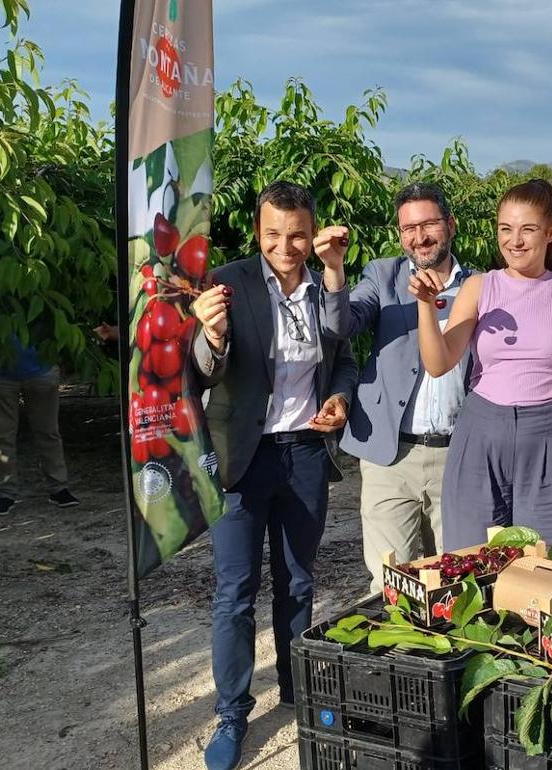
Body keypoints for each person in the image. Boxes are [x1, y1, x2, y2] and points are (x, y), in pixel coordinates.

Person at [189, 181, 358, 770]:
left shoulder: (323, 288)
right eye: (273, 235)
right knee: (235, 593)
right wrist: (210, 339)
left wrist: (337, 397)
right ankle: (232, 712)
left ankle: (297, 688)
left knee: (299, 581)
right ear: (258, 233)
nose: (285, 247)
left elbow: (344, 356)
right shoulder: (228, 284)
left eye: (297, 236)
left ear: (311, 235)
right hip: (242, 457)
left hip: (305, 452)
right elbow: (202, 372)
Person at [411, 179, 552, 551]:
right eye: (505, 229)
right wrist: (425, 306)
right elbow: (438, 363)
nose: (515, 241)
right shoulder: (480, 288)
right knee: (471, 566)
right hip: (481, 435)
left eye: (527, 229)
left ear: (551, 232)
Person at [338, 182, 475, 591]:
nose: (419, 237)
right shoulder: (382, 276)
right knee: (390, 583)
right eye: (408, 228)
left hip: (458, 454)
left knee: (457, 582)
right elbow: (342, 323)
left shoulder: (479, 287)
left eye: (429, 223)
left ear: (450, 224)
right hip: (390, 457)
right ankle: (396, 657)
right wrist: (332, 269)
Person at [0, 338, 79, 515]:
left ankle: (59, 488)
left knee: (48, 432)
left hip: (42, 370)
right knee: (1, 436)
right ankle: (4, 493)